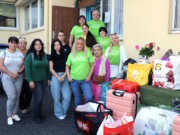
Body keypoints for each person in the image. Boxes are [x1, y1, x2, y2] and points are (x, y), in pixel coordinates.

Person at [25, 38, 50, 124]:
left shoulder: (44, 55)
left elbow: (47, 69)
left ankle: (39, 113)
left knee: (40, 98)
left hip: (44, 80)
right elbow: (27, 70)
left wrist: (48, 78)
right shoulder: (30, 56)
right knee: (38, 98)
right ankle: (36, 116)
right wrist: (30, 80)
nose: (38, 46)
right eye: (36, 44)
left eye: (40, 44)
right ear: (33, 46)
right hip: (35, 81)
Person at [0, 36, 24, 125]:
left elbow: (23, 65)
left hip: (18, 77)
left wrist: (17, 73)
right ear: (8, 43)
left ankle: (14, 114)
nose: (13, 44)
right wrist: (11, 74)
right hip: (7, 78)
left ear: (17, 44)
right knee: (12, 96)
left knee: (17, 96)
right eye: (11, 42)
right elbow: (1, 67)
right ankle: (9, 116)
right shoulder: (3, 53)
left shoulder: (20, 54)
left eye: (15, 43)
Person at [66, 37, 94, 108]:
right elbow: (67, 67)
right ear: (75, 44)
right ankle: (78, 114)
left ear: (83, 45)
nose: (79, 45)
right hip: (74, 80)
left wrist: (89, 76)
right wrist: (69, 77)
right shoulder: (71, 54)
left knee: (89, 97)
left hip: (85, 80)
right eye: (77, 44)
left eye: (81, 44)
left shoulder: (88, 54)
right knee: (77, 98)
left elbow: (92, 66)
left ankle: (86, 112)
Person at [49, 39, 71, 120]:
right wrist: (58, 77)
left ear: (60, 45)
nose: (56, 46)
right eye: (55, 45)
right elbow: (51, 69)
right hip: (55, 76)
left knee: (67, 96)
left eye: (58, 45)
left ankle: (63, 112)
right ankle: (58, 113)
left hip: (64, 76)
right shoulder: (51, 56)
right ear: (53, 47)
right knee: (56, 97)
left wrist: (64, 75)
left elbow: (68, 67)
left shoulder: (65, 55)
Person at [18, 37, 32, 114]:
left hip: (28, 76)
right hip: (19, 76)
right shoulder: (15, 53)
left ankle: (27, 105)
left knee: (29, 93)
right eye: (21, 43)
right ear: (18, 44)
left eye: (24, 43)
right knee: (20, 93)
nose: (22, 44)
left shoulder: (29, 53)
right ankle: (22, 107)